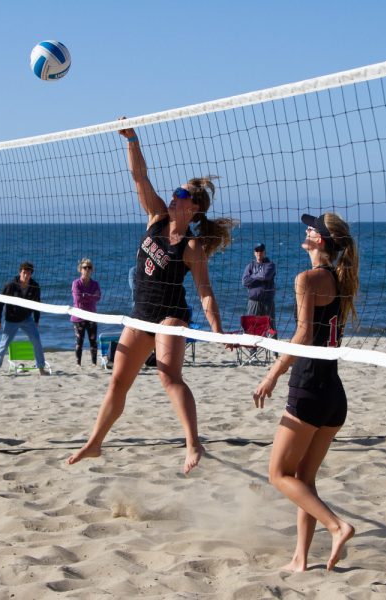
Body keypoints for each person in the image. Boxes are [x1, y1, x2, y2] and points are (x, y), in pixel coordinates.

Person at [69, 122, 235, 474]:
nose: (175, 194)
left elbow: (206, 292)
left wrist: (218, 330)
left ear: (193, 208)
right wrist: (132, 140)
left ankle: (192, 442)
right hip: (141, 313)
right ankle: (95, 442)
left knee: (168, 377)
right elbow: (139, 178)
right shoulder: (156, 218)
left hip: (171, 315)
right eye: (176, 191)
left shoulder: (191, 247)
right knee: (117, 381)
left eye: (182, 193)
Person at [252, 212, 360, 572]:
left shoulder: (307, 278)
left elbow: (302, 335)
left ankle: (337, 526)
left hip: (309, 389)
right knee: (304, 482)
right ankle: (300, 559)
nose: (307, 230)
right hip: (334, 396)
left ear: (323, 242)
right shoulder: (339, 278)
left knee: (277, 474)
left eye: (313, 228)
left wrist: (273, 373)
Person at [0, 261, 47, 376]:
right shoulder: (10, 286)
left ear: (31, 274)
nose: (26, 275)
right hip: (12, 319)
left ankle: (41, 368)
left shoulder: (34, 286)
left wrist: (36, 320)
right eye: (24, 272)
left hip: (27, 318)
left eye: (29, 273)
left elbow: (37, 304)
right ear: (20, 272)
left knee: (37, 340)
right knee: (4, 343)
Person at [71, 257, 102, 366]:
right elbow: (77, 299)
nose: (87, 270)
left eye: (89, 268)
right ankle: (78, 364)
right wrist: (90, 296)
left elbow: (98, 297)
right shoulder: (76, 283)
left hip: (92, 316)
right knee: (79, 342)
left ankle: (94, 364)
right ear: (80, 269)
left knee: (93, 342)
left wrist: (85, 296)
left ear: (92, 270)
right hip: (78, 317)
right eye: (85, 267)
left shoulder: (95, 284)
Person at [242, 242, 277, 331]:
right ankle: (251, 344)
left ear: (264, 252)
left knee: (270, 327)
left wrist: (252, 276)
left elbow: (265, 275)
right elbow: (245, 281)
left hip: (267, 302)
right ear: (254, 252)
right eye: (257, 251)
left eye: (261, 251)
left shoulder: (270, 265)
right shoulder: (250, 266)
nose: (259, 253)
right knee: (251, 326)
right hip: (253, 301)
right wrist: (257, 276)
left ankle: (272, 344)